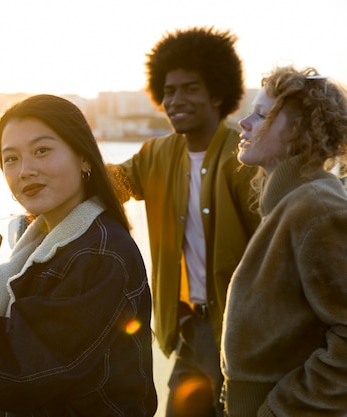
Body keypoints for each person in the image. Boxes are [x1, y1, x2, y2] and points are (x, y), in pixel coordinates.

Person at [0, 94, 158, 416]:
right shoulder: (50, 240)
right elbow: (22, 341)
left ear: (84, 158)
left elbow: (21, 372)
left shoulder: (100, 254)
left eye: (42, 151)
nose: (25, 171)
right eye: (11, 159)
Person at [108, 27, 261, 417]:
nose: (176, 100)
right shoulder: (156, 154)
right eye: (169, 90)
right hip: (189, 329)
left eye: (190, 88)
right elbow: (111, 185)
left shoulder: (243, 160)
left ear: (217, 93)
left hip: (245, 333)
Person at [220, 66, 347, 417]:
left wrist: (281, 410)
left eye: (261, 115)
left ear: (299, 131)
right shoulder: (290, 205)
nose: (244, 123)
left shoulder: (317, 209)